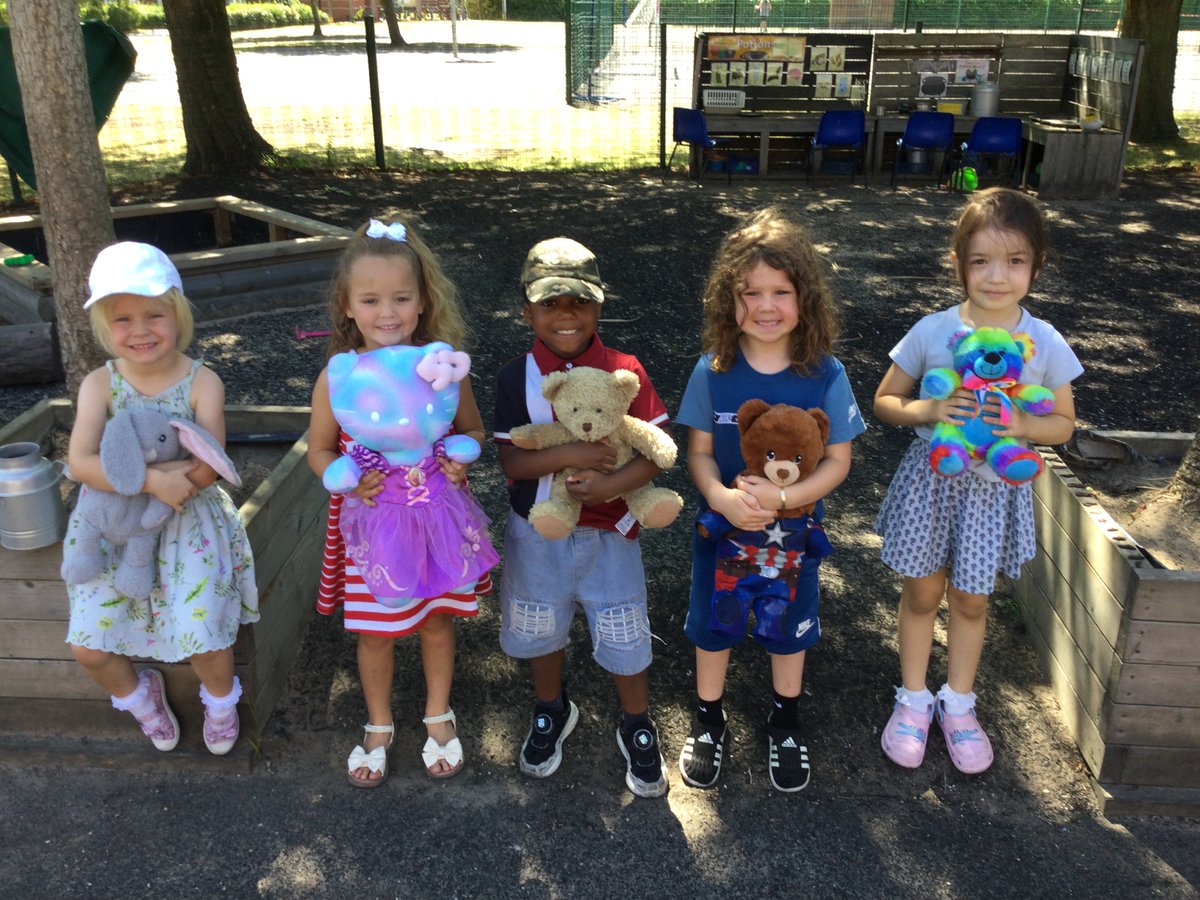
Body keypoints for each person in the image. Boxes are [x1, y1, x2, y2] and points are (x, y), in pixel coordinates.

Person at [874, 188, 1081, 775]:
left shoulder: (1045, 340)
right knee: (921, 593)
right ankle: (913, 698)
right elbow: (887, 401)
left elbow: (1064, 424)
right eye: (982, 261)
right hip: (933, 481)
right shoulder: (934, 330)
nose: (997, 276)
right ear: (959, 262)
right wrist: (930, 412)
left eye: (1015, 261)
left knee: (970, 600)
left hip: (994, 490)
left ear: (1036, 267)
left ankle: (958, 703)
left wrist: (1022, 423)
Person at [675, 207, 865, 793]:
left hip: (793, 539)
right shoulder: (713, 371)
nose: (763, 305)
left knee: (789, 629)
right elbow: (700, 453)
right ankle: (709, 718)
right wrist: (720, 496)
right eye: (748, 292)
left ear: (804, 298)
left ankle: (785, 720)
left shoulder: (824, 374)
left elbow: (838, 461)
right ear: (728, 301)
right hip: (724, 531)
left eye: (780, 291)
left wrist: (786, 498)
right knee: (715, 625)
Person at [308, 218, 493, 788]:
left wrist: (463, 459)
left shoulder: (443, 369)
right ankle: (380, 723)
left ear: (421, 303)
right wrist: (341, 479)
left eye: (401, 298)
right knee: (376, 630)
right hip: (372, 532)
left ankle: (438, 714)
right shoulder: (336, 378)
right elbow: (317, 450)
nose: (386, 312)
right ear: (347, 305)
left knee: (437, 622)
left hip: (437, 519)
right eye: (370, 299)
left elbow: (475, 434)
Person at [493, 237, 672, 798]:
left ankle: (636, 720)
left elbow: (653, 450)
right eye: (550, 304)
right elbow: (512, 460)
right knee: (541, 621)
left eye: (579, 303)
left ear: (599, 305)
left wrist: (609, 484)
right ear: (527, 310)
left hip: (612, 533)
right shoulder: (515, 376)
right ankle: (552, 708)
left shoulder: (625, 371)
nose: (565, 316)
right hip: (537, 530)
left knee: (622, 625)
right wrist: (572, 455)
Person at [65, 242, 258, 756]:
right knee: (87, 646)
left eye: (155, 314)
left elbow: (209, 464)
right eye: (123, 319)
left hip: (188, 526)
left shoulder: (203, 383)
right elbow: (79, 463)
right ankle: (140, 697)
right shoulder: (100, 385)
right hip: (118, 529)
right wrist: (152, 481)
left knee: (207, 635)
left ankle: (220, 702)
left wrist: (178, 480)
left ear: (178, 313)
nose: (141, 329)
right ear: (106, 328)